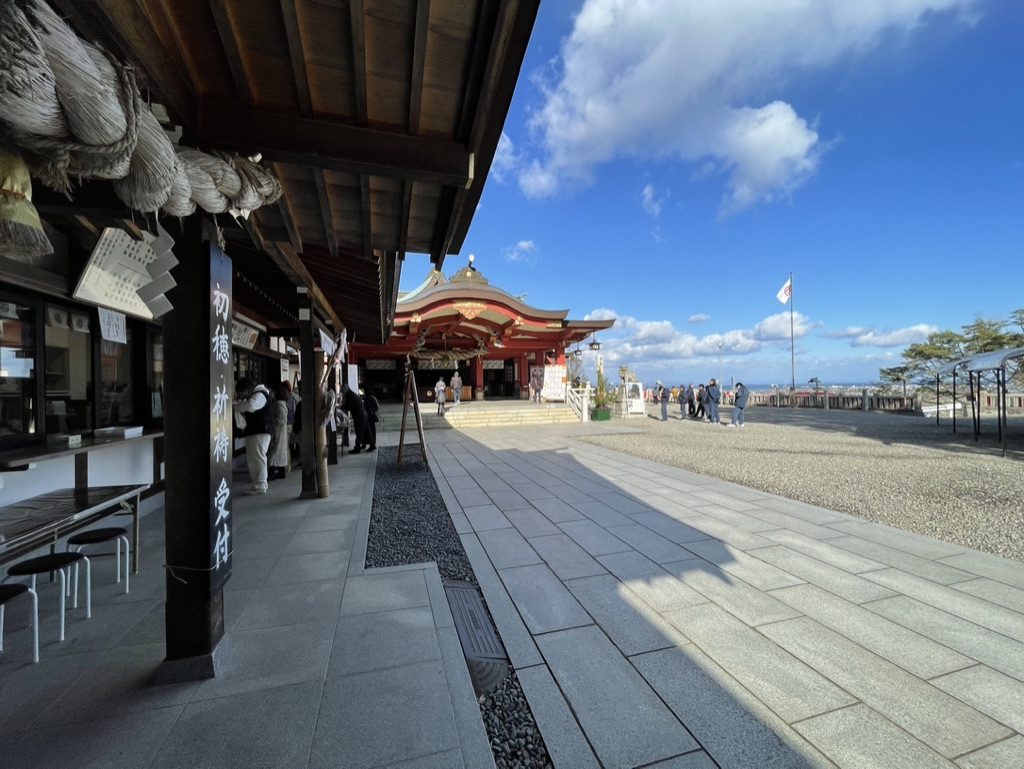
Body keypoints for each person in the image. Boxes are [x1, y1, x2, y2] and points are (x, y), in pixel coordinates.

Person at [234, 377, 273, 494]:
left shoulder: (260, 395)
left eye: (241, 392)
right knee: (256, 458)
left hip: (260, 432)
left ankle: (260, 485)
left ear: (247, 389)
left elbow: (251, 406)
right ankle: (259, 483)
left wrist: (237, 407)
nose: (241, 396)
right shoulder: (260, 394)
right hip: (258, 431)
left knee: (258, 458)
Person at [268, 382, 290, 479]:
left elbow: (280, 420)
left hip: (278, 431)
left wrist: (273, 429)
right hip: (282, 431)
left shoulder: (278, 405)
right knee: (280, 452)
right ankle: (281, 471)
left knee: (275, 452)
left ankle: (272, 472)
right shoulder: (281, 404)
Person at [339, 383, 368, 452]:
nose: (342, 393)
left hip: (359, 416)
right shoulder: (352, 395)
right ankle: (371, 445)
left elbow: (348, 406)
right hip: (363, 415)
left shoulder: (351, 396)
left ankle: (357, 448)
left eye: (342, 391)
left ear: (345, 390)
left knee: (359, 432)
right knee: (365, 431)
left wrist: (341, 407)